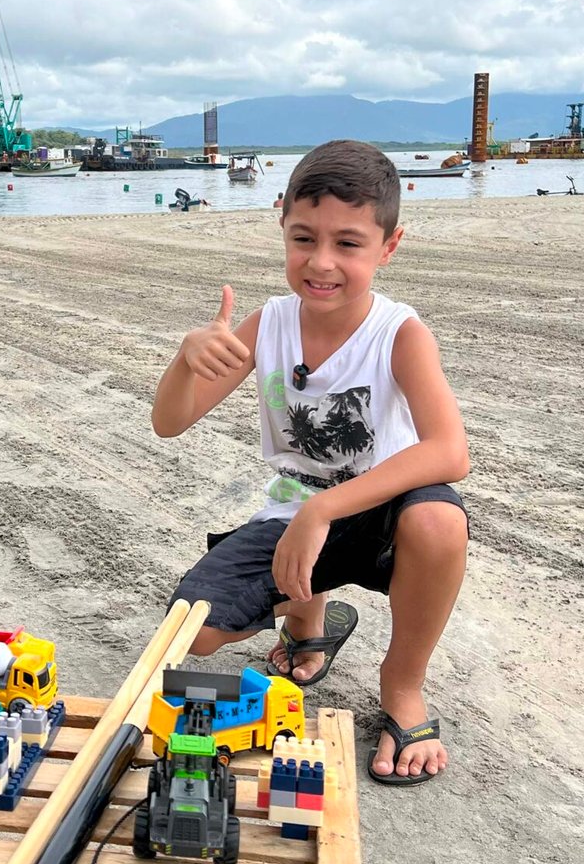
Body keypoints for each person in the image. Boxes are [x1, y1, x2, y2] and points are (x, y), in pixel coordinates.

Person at [151, 139, 470, 787]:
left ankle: (402, 686)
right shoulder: (268, 324)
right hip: (294, 512)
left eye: (348, 244)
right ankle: (309, 619)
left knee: (440, 521)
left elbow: (449, 451)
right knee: (193, 631)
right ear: (282, 226)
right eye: (304, 239)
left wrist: (322, 508)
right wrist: (186, 359)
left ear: (389, 245)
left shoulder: (399, 333)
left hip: (381, 516)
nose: (321, 262)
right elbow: (170, 422)